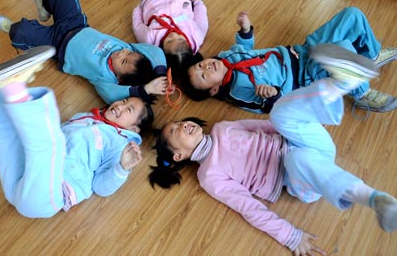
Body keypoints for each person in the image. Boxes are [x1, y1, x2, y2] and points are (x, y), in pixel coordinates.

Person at [149, 44, 397, 254]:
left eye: (181, 122)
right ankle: (373, 198)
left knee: (277, 113)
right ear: (178, 155)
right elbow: (248, 207)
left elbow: (267, 126)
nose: (184, 125)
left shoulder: (222, 128)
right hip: (304, 180)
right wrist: (291, 236)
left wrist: (303, 122)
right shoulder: (209, 175)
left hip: (307, 143)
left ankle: (342, 83)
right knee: (296, 159)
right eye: (176, 131)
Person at [0, 40, 154, 218]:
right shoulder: (87, 117)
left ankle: (13, 86)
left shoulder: (120, 146)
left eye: (128, 109)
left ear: (134, 129)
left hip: (50, 195)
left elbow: (101, 187)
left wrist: (122, 168)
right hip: (24, 176)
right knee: (8, 131)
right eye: (124, 101)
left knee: (50, 144)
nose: (120, 105)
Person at [181, 7, 397, 113]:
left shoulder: (226, 57)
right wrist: (271, 94)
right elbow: (267, 107)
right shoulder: (237, 90)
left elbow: (245, 48)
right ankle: (362, 93)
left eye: (200, 65)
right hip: (304, 75)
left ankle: (372, 56)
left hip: (299, 51)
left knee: (352, 15)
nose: (206, 67)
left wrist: (245, 29)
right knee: (342, 49)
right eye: (203, 75)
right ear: (213, 90)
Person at [0, 0, 169, 105]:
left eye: (123, 61)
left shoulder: (105, 79)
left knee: (19, 31)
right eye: (128, 52)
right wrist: (160, 75)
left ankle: (17, 33)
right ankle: (45, 8)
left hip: (56, 45)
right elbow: (156, 52)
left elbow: (112, 96)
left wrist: (145, 90)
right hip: (75, 23)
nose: (122, 53)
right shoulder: (126, 47)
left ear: (119, 79)